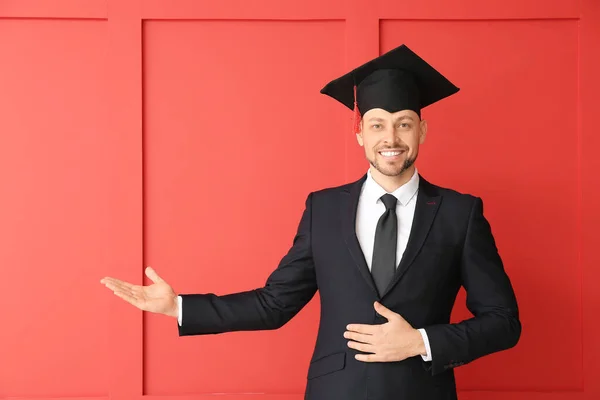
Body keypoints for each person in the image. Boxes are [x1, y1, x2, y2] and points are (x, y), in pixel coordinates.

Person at [101, 44, 521, 400]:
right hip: (334, 392)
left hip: (420, 390)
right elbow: (274, 304)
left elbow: (503, 321)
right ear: (360, 133)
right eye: (377, 125)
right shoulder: (324, 209)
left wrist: (421, 342)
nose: (390, 138)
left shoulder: (458, 213)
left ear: (422, 131)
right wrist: (178, 306)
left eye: (403, 124)